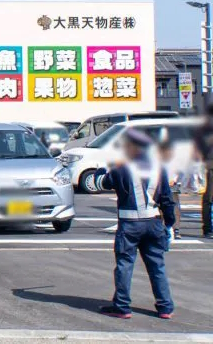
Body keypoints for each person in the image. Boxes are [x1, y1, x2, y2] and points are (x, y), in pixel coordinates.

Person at [94, 128, 175, 319]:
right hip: (154, 222)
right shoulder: (158, 168)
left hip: (130, 224)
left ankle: (122, 307)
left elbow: (100, 183)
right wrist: (169, 224)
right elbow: (168, 199)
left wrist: (101, 169)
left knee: (124, 264)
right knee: (157, 266)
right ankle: (165, 307)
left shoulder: (121, 167)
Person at [195, 103, 213, 239]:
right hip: (209, 166)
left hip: (208, 165)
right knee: (208, 198)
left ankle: (207, 228)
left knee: (208, 198)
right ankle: (207, 228)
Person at [158, 140, 182, 240]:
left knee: (175, 207)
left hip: (172, 186)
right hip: (161, 186)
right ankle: (161, 228)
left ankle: (176, 229)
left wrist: (174, 179)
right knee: (160, 207)